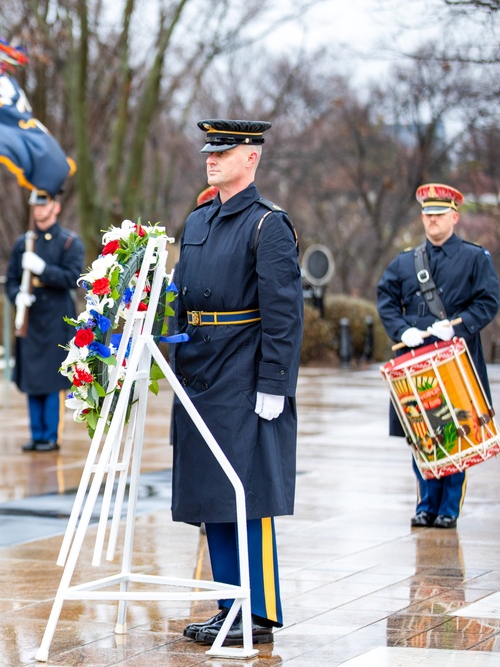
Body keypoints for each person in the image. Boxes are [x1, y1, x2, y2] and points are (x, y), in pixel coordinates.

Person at [169, 119, 303, 646]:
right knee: (214, 495)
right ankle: (230, 605)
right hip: (199, 366)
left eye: (225, 151)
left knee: (246, 492)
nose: (212, 158)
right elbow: (180, 298)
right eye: (210, 151)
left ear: (251, 158)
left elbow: (284, 313)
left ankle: (258, 609)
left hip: (243, 369)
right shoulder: (199, 220)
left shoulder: (268, 225)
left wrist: (275, 383)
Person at [376, 183, 500, 530]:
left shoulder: (475, 257)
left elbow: (488, 302)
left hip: (456, 359)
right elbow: (386, 298)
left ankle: (449, 507)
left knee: (456, 431)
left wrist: (459, 327)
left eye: (439, 215)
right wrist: (401, 331)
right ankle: (425, 504)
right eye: (427, 215)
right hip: (416, 360)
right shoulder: (405, 262)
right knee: (422, 435)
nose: (432, 221)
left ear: (454, 217)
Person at [5, 189, 84, 452]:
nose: (39, 210)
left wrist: (43, 269)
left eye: (45, 204)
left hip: (55, 319)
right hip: (31, 315)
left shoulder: (68, 242)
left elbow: (72, 277)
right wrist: (18, 296)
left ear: (56, 207)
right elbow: (11, 281)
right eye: (36, 205)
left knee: (51, 378)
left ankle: (50, 435)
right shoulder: (23, 243)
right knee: (32, 378)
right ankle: (36, 433)